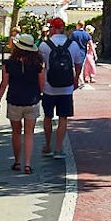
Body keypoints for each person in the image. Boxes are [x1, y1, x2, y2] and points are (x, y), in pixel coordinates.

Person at [0, 33, 43, 173]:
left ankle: (17, 162)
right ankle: (27, 164)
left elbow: (4, 84)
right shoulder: (38, 63)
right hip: (32, 100)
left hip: (14, 100)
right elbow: (41, 84)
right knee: (29, 133)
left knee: (16, 132)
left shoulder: (9, 64)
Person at [40, 17, 82, 160]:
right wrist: (76, 78)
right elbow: (78, 63)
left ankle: (47, 146)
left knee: (47, 116)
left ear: (52, 29)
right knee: (63, 117)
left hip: (48, 87)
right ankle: (58, 149)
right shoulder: (73, 45)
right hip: (66, 88)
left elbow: (41, 67)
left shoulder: (44, 46)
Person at [72, 20, 97, 85]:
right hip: (83, 53)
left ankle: (80, 80)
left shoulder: (74, 34)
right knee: (81, 67)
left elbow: (69, 43)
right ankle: (80, 80)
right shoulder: (87, 35)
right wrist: (95, 54)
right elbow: (91, 45)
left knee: (75, 67)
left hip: (75, 53)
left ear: (78, 25)